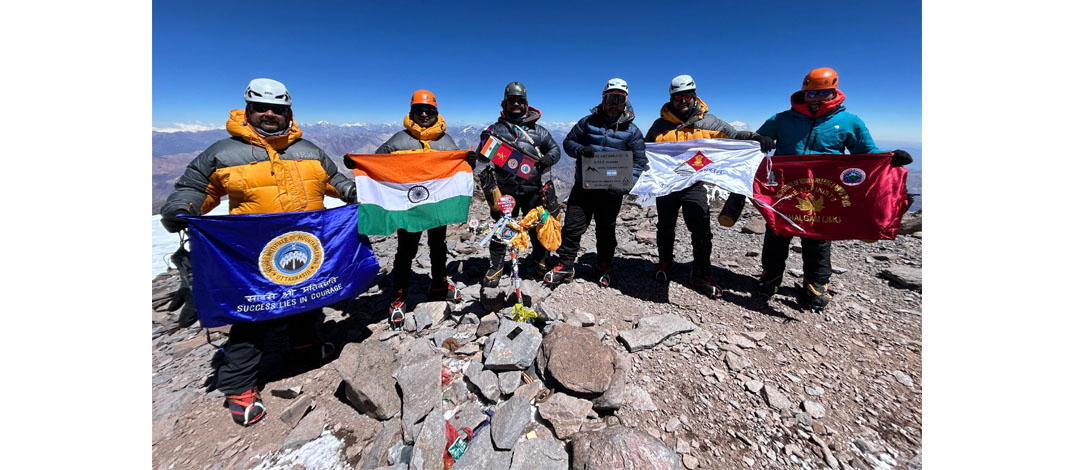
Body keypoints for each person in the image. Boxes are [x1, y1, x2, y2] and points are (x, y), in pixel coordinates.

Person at [159, 78, 357, 426]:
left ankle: (305, 345)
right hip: (254, 251)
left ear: (288, 113)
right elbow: (195, 187)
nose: (269, 114)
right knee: (254, 313)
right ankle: (238, 385)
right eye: (261, 107)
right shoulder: (223, 152)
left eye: (277, 109)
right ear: (247, 109)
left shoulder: (309, 150)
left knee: (309, 296)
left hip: (308, 244)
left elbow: (333, 181)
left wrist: (354, 193)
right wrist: (182, 208)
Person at [754, 67, 912, 312]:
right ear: (803, 92)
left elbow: (866, 153)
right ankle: (771, 276)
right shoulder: (781, 119)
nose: (816, 98)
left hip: (824, 189)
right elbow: (755, 141)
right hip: (786, 187)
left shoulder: (849, 121)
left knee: (818, 234)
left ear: (834, 91)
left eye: (823, 93)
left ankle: (816, 283)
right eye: (811, 93)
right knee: (777, 231)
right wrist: (759, 138)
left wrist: (890, 158)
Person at [645, 74, 774, 298]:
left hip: (694, 184)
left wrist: (755, 137)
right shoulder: (660, 125)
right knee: (665, 227)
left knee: (701, 228)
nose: (682, 101)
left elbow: (734, 136)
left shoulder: (710, 122)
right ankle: (665, 264)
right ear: (671, 98)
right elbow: (648, 149)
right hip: (667, 184)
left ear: (694, 97)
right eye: (678, 97)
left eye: (687, 96)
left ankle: (702, 273)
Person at [370, 89, 466, 316]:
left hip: (436, 205)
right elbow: (376, 162)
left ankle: (439, 283)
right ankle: (399, 294)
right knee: (406, 250)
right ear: (411, 112)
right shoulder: (399, 140)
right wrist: (358, 164)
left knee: (438, 245)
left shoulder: (446, 141)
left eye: (428, 110)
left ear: (436, 113)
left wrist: (467, 161)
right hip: (409, 207)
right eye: (419, 110)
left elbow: (458, 168)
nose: (424, 114)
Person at [544, 78, 647, 287]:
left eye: (619, 99)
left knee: (606, 230)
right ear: (603, 99)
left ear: (625, 101)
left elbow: (639, 161)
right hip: (584, 187)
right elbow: (568, 143)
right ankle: (565, 265)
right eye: (610, 99)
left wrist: (626, 185)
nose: (613, 104)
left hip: (611, 191)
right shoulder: (587, 122)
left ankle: (604, 266)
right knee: (572, 227)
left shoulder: (632, 131)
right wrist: (580, 150)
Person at [479, 81, 561, 287]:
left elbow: (555, 150)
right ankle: (496, 266)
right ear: (504, 103)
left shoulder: (538, 131)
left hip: (532, 189)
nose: (516, 104)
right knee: (501, 227)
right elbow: (482, 158)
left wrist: (548, 159)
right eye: (511, 101)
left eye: (519, 101)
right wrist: (482, 144)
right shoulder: (495, 130)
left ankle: (541, 262)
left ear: (526, 104)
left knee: (538, 227)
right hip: (504, 191)